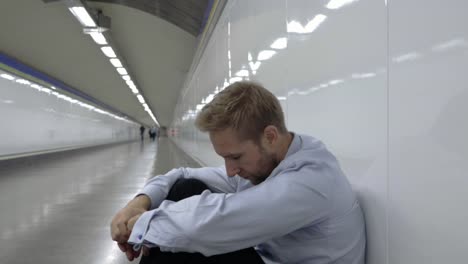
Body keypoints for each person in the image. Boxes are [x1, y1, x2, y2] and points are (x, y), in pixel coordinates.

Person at [111, 81, 366, 264]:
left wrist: (139, 227)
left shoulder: (312, 181)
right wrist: (139, 203)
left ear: (270, 136)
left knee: (191, 234)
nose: (231, 171)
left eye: (235, 157)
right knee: (185, 188)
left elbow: (210, 225)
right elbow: (182, 174)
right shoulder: (266, 165)